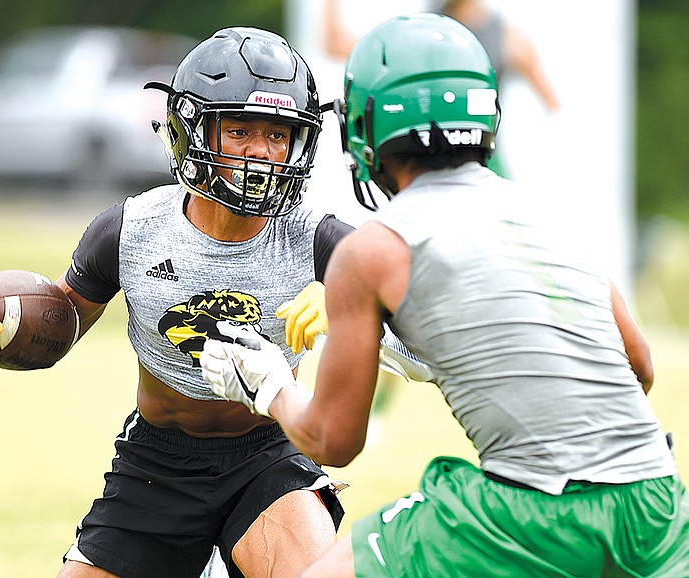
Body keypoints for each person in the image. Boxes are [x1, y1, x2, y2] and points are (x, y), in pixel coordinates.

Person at [200, 14, 689, 577]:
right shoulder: (548, 217)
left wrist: (267, 384)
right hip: (657, 502)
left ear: (366, 124)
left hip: (532, 509)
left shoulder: (375, 248)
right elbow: (638, 367)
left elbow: (332, 441)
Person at [0, 27, 353, 578]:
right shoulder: (131, 229)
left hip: (267, 454)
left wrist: (355, 298)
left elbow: (416, 295)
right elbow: (61, 321)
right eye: (240, 130)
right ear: (188, 131)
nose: (262, 152)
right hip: (158, 463)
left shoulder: (319, 238)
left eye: (278, 134)